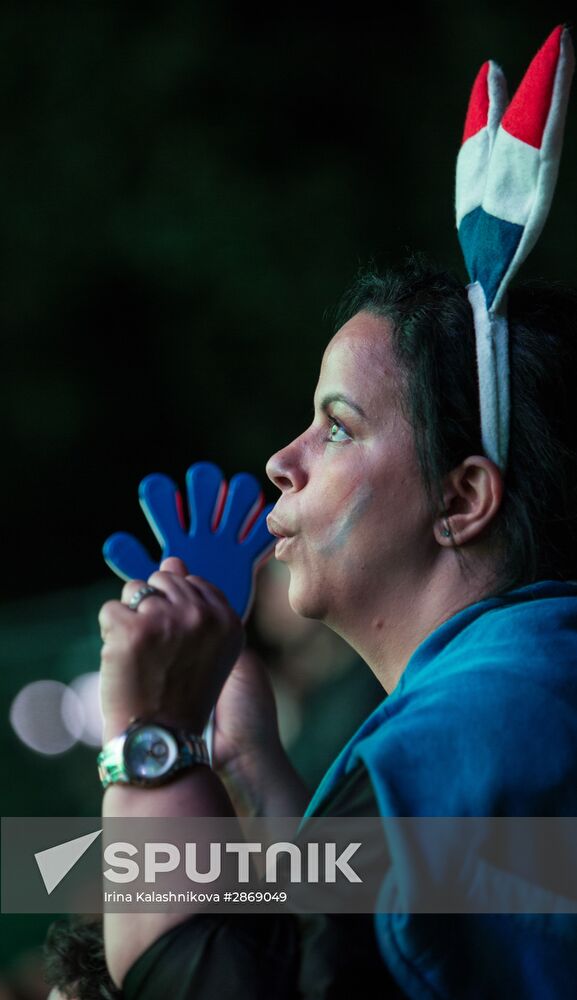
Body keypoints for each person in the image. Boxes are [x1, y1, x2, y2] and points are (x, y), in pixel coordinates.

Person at [43, 255, 577, 999]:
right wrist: (247, 761)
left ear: (459, 498)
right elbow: (357, 936)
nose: (279, 461)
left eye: (336, 428)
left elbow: (217, 985)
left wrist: (149, 737)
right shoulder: (521, 687)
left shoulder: (484, 727)